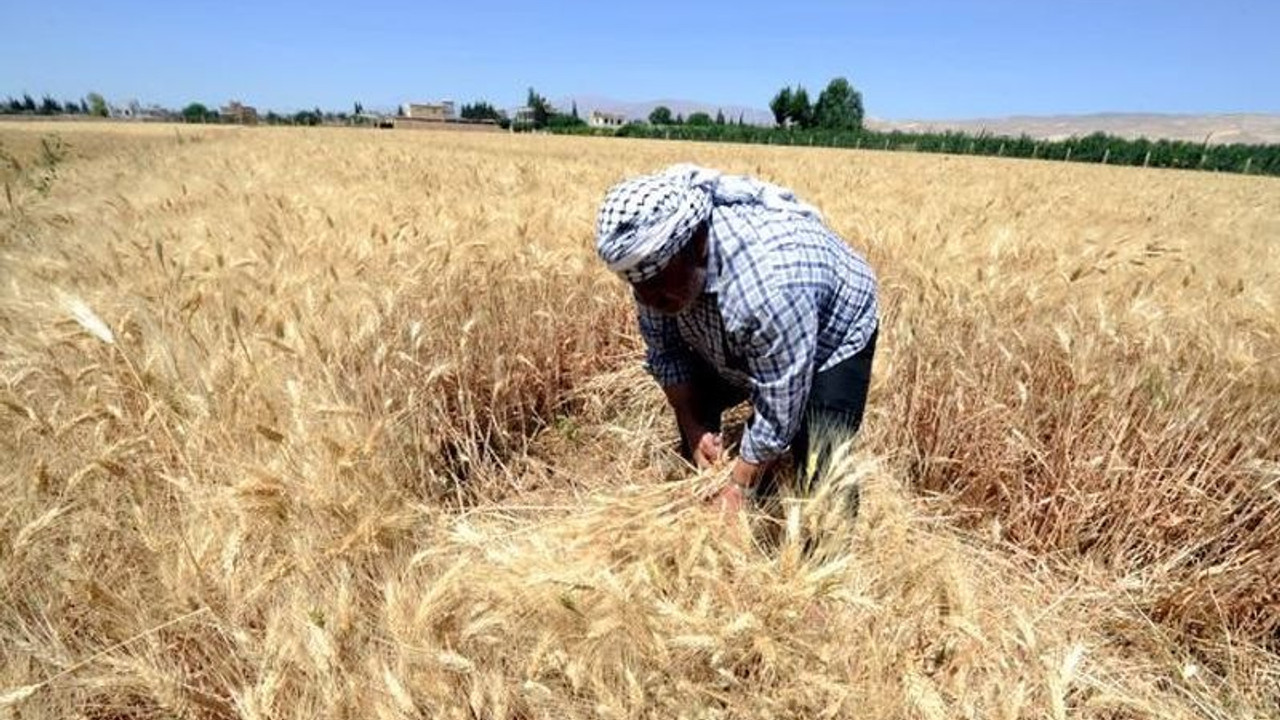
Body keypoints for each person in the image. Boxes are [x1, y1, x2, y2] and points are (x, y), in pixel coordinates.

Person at [595, 164, 879, 514]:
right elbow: (666, 354)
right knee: (697, 411)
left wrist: (738, 487)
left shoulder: (769, 285)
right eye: (639, 287)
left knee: (821, 454)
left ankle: (828, 554)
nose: (650, 299)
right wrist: (694, 428)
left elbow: (779, 402)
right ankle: (708, 495)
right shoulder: (656, 273)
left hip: (834, 331)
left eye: (658, 285)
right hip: (755, 326)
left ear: (698, 244)